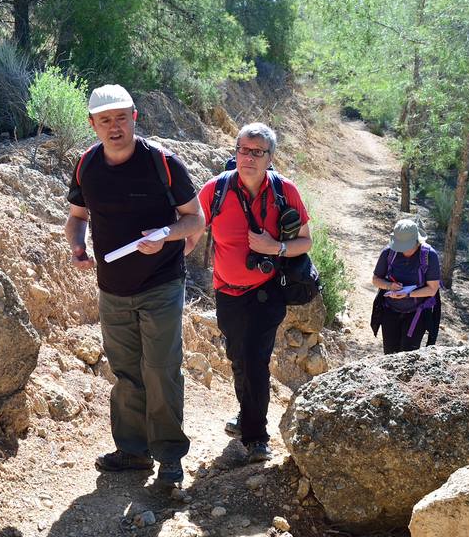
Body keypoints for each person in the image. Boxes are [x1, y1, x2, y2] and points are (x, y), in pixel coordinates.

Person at [65, 84, 205, 488]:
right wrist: (76, 244)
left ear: (134, 118)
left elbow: (194, 220)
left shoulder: (162, 163)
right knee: (126, 372)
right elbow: (77, 217)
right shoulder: (86, 166)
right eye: (105, 120)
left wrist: (165, 234)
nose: (114, 127)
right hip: (111, 287)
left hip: (160, 283)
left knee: (161, 369)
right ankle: (133, 451)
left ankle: (170, 457)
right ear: (92, 124)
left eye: (121, 118)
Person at [198, 123, 312, 463]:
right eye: (243, 149)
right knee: (237, 357)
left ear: (270, 158)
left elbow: (305, 241)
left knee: (255, 359)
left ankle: (256, 437)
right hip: (226, 291)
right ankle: (247, 413)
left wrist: (275, 246)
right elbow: (191, 225)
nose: (248, 157)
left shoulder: (284, 191)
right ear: (235, 152)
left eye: (257, 151)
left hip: (267, 291)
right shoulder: (215, 190)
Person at [371, 218, 441, 353]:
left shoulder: (429, 256)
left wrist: (408, 294)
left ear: (417, 242)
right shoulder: (389, 252)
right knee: (390, 355)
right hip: (390, 311)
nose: (403, 251)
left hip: (417, 313)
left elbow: (432, 289)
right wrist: (389, 285)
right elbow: (375, 280)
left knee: (408, 356)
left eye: (406, 246)